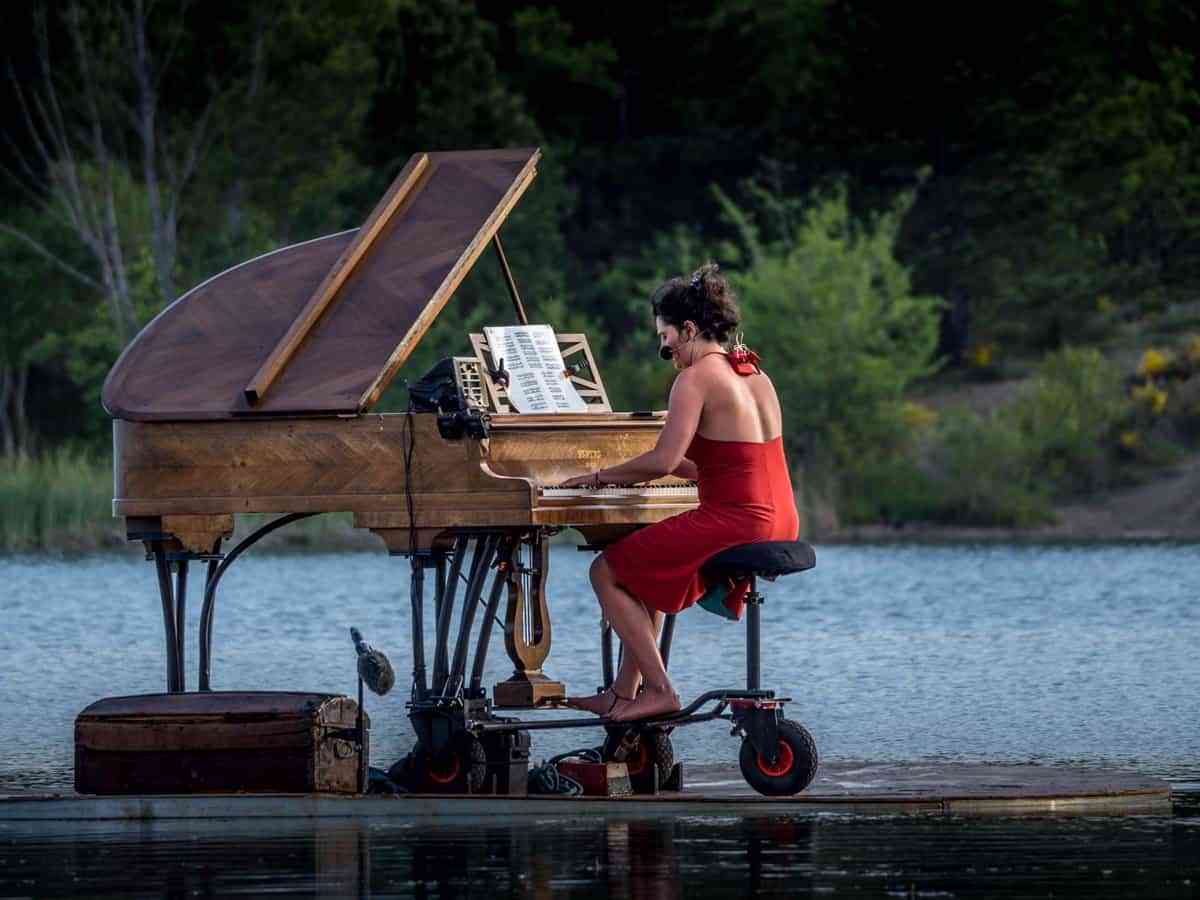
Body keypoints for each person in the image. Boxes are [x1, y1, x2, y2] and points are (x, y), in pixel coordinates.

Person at [559, 263, 799, 721]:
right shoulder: (754, 374)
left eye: (665, 337)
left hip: (740, 519)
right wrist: (647, 472)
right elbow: (725, 462)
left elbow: (663, 461)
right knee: (645, 569)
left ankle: (661, 690)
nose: (664, 348)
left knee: (605, 571)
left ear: (688, 329)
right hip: (781, 515)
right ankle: (623, 693)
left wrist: (597, 477)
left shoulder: (695, 378)